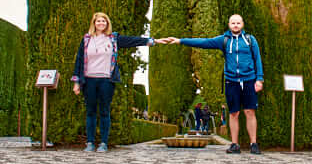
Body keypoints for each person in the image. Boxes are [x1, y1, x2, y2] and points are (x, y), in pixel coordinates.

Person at [164, 14, 264, 154]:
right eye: (233, 23)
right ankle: (234, 144)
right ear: (229, 25)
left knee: (250, 112)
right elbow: (203, 42)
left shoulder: (250, 40)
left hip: (248, 80)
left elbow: (257, 59)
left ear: (242, 24)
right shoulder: (224, 40)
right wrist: (180, 41)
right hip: (231, 81)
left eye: (238, 23)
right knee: (233, 113)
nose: (235, 25)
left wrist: (259, 79)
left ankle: (254, 143)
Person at [72, 12, 165, 152]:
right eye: (98, 21)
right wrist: (77, 82)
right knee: (90, 112)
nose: (101, 23)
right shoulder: (86, 40)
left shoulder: (113, 39)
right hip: (89, 80)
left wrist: (151, 41)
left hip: (106, 80)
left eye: (104, 21)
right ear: (94, 23)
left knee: (104, 111)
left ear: (107, 23)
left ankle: (104, 143)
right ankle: (90, 143)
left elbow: (131, 41)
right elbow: (79, 60)